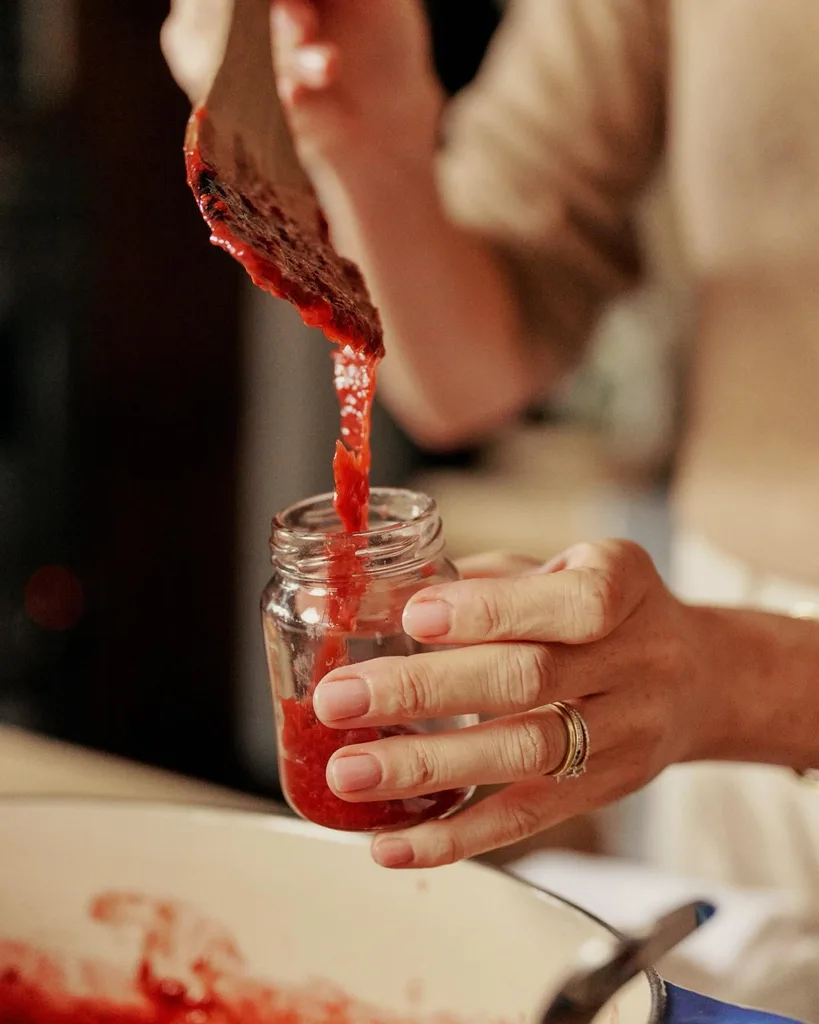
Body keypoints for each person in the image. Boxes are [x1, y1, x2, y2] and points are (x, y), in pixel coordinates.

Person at [161, 0, 819, 887]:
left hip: (749, 669)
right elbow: (465, 377)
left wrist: (742, 682)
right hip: (736, 663)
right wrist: (373, 144)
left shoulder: (723, 678)